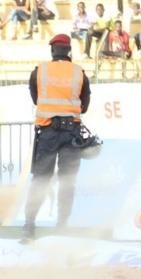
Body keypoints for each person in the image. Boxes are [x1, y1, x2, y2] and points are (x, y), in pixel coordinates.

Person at [20, 34, 91, 243]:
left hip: (48, 133)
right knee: (68, 182)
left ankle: (29, 228)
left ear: (52, 51)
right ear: (69, 51)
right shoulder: (79, 73)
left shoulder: (39, 71)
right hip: (71, 135)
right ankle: (62, 228)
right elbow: (84, 106)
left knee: (40, 181)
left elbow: (36, 98)